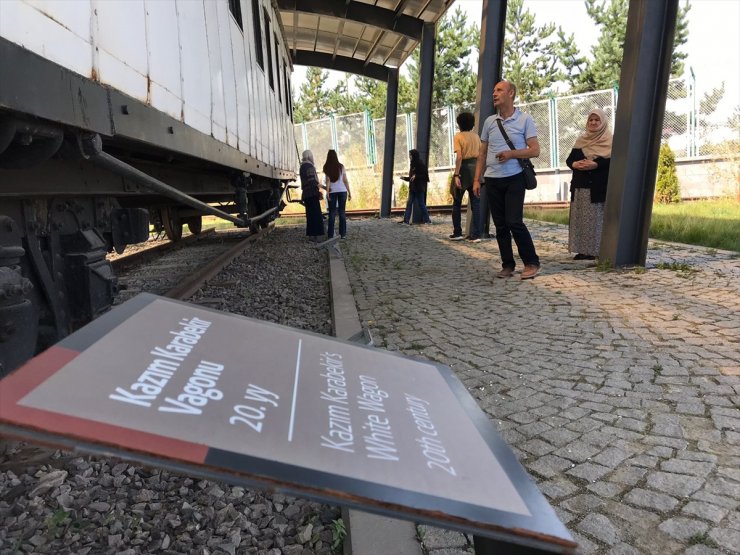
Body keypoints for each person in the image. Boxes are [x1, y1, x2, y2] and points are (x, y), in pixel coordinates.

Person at [473, 80, 541, 279]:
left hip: (514, 178)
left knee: (514, 221)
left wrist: (511, 154)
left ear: (511, 93)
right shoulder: (489, 122)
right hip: (492, 179)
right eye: (493, 90)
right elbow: (482, 152)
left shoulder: (524, 119)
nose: (494, 93)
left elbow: (535, 150)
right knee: (500, 224)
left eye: (499, 90)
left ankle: (531, 262)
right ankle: (508, 265)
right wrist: (477, 179)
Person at [566, 108, 612, 260]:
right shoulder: (581, 140)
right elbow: (569, 159)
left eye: (596, 120)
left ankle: (596, 251)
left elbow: (612, 162)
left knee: (596, 221)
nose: (593, 122)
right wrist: (575, 164)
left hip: (598, 188)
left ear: (603, 122)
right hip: (581, 187)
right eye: (590, 120)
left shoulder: (610, 141)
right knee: (581, 220)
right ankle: (583, 250)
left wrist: (596, 165)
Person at [450, 112, 482, 242]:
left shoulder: (458, 136)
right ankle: (476, 235)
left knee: (457, 202)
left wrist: (456, 174)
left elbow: (459, 157)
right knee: (476, 204)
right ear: (472, 124)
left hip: (463, 170)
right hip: (476, 169)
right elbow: (481, 155)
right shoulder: (476, 137)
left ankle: (457, 232)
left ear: (459, 124)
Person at [322, 149, 352, 239]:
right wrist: (349, 192)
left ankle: (330, 235)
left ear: (328, 157)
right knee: (342, 212)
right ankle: (342, 234)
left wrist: (327, 192)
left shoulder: (326, 167)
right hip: (342, 191)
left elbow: (328, 180)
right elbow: (345, 180)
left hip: (332, 192)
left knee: (332, 213)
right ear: (336, 156)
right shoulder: (341, 166)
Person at [400, 149, 432, 225]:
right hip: (412, 188)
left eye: (410, 155)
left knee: (421, 204)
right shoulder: (412, 164)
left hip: (419, 188)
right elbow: (411, 178)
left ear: (414, 156)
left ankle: (427, 220)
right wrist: (404, 178)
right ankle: (406, 221)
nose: (409, 157)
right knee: (409, 203)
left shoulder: (420, 164)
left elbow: (425, 176)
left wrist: (416, 176)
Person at [299, 150, 324, 242]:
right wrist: (318, 192)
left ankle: (311, 236)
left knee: (310, 215)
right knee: (316, 214)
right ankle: (317, 237)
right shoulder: (309, 166)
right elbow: (312, 181)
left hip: (306, 194)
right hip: (312, 193)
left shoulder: (302, 166)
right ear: (309, 156)